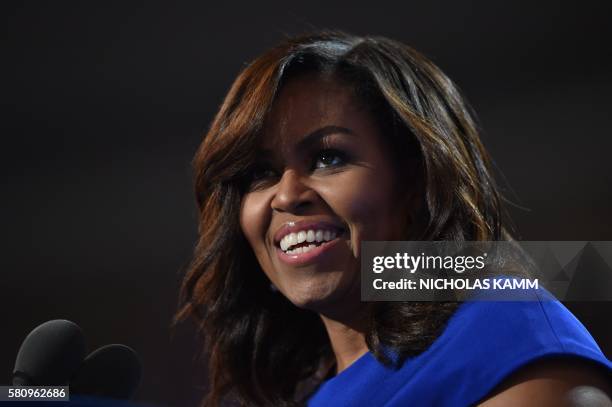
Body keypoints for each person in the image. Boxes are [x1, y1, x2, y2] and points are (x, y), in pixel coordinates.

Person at [176, 32, 612, 406]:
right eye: (260, 173)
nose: (287, 194)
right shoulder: (315, 393)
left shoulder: (504, 331)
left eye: (329, 158)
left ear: (416, 180)